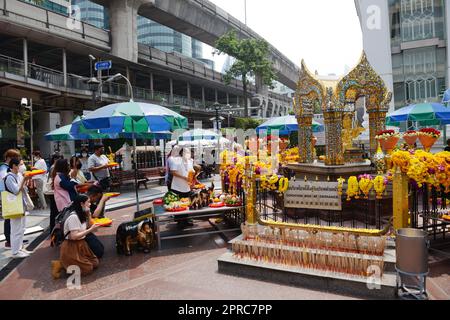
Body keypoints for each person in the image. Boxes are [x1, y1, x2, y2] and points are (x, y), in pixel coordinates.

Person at [51, 194, 100, 279]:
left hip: (81, 244)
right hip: (71, 246)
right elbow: (74, 236)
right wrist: (90, 230)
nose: (90, 204)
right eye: (88, 202)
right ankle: (60, 264)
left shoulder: (82, 214)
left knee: (95, 263)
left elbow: (87, 226)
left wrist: (88, 215)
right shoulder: (73, 217)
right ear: (81, 204)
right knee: (88, 269)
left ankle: (69, 263)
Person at [4, 158, 33, 259]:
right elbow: (16, 191)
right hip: (15, 206)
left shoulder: (18, 175)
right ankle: (15, 252)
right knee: (16, 229)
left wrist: (26, 180)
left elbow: (23, 188)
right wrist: (24, 180)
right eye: (20, 164)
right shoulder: (9, 177)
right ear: (14, 166)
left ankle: (19, 248)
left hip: (21, 205)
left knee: (21, 228)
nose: (22, 166)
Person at [0, 149, 23, 250]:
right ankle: (9, 241)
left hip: (9, 194)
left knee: (11, 219)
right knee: (9, 217)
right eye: (16, 158)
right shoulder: (4, 168)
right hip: (6, 194)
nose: (17, 160)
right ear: (9, 158)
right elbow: (5, 178)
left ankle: (13, 241)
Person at [171, 148, 194, 228]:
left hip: (186, 186)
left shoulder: (190, 161)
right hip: (177, 186)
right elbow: (173, 172)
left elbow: (192, 171)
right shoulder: (176, 160)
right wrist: (184, 177)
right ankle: (179, 221)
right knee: (178, 204)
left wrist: (192, 180)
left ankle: (186, 219)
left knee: (186, 204)